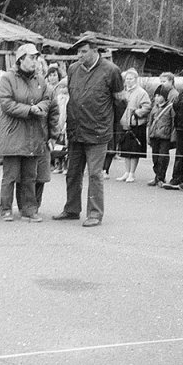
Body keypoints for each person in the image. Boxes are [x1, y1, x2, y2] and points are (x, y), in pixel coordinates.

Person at [53, 37, 123, 227]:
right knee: (73, 173)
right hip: (75, 130)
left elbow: (120, 102)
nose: (79, 55)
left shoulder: (111, 71)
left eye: (83, 52)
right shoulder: (73, 69)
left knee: (94, 174)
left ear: (94, 51)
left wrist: (111, 126)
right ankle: (71, 209)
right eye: (78, 52)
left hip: (98, 132)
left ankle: (95, 213)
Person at [0, 43, 57, 222]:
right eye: (31, 57)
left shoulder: (40, 80)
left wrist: (40, 107)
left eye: (36, 58)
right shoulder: (7, 78)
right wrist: (30, 110)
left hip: (34, 134)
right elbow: (6, 103)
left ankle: (28, 209)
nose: (35, 61)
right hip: (13, 134)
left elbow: (48, 99)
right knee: (10, 175)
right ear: (20, 59)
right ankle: (6, 209)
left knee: (30, 175)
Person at [114, 68, 151, 183]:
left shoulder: (141, 92)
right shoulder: (124, 92)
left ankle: (132, 173)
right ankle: (126, 172)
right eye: (127, 79)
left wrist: (137, 113)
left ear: (136, 79)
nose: (128, 81)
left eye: (131, 79)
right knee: (125, 150)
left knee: (134, 151)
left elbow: (147, 106)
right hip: (124, 124)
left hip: (136, 125)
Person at [146, 85, 175, 186]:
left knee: (163, 157)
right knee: (155, 158)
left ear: (165, 96)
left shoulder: (170, 108)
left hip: (165, 137)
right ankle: (156, 176)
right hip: (154, 136)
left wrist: (173, 137)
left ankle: (161, 178)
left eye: (159, 96)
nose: (156, 98)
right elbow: (150, 123)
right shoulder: (154, 108)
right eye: (155, 96)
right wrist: (149, 136)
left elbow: (173, 123)